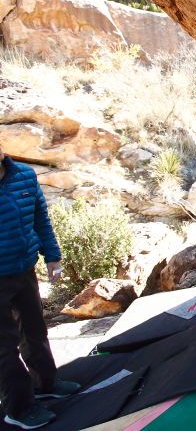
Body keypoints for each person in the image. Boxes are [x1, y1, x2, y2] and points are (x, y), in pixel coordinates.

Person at [0, 145, 81, 429]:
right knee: (4, 346)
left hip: (23, 268)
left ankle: (45, 383)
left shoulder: (23, 175)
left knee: (35, 329)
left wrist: (53, 257)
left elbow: (40, 219)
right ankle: (18, 408)